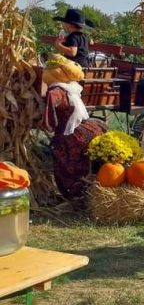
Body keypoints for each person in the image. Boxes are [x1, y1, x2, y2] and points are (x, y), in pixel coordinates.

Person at [41, 55, 107, 198]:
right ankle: (91, 188)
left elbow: (49, 122)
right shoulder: (72, 86)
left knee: (60, 152)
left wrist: (46, 125)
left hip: (72, 134)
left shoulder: (55, 92)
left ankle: (74, 192)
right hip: (88, 127)